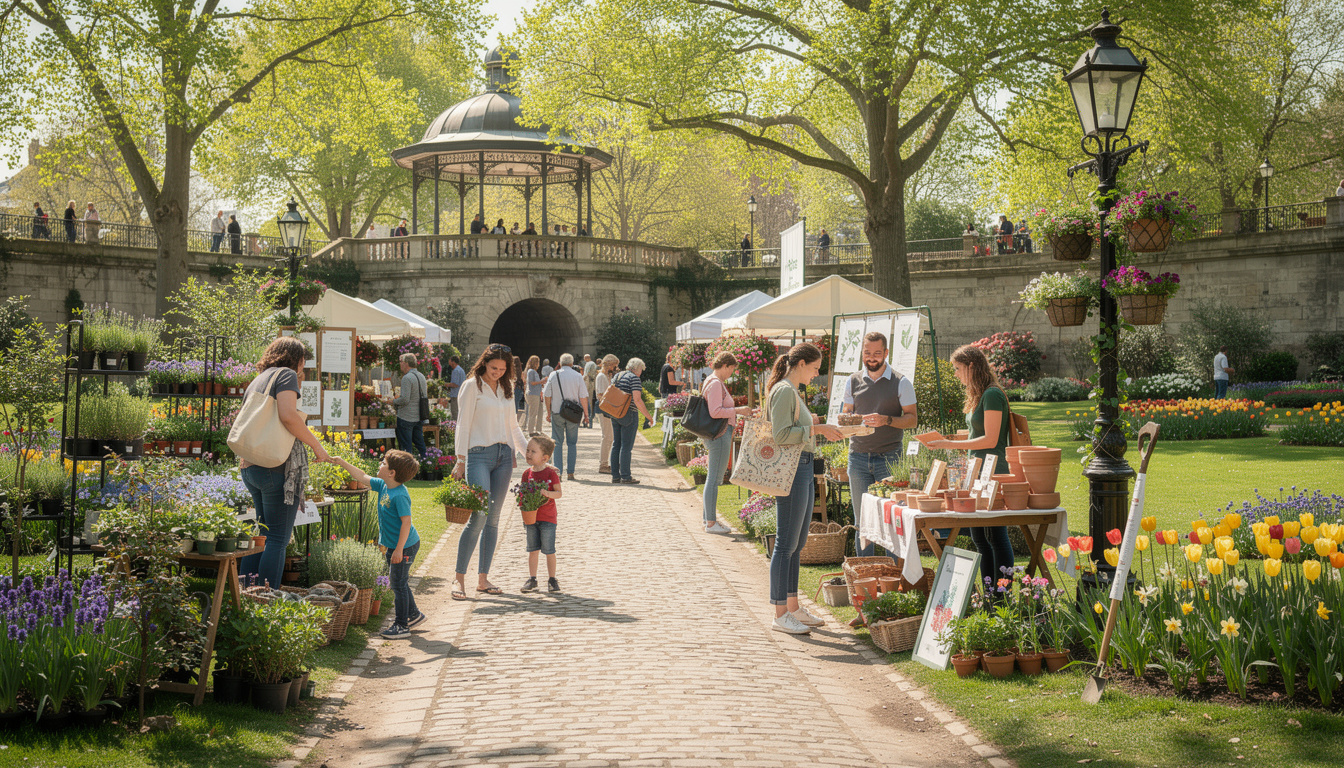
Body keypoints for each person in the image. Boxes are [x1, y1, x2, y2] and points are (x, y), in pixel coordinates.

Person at [763, 343, 844, 635]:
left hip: (803, 466)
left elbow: (794, 429)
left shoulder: (791, 391)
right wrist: (817, 429)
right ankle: (780, 612)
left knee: (796, 544)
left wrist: (818, 427)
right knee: (786, 544)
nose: (817, 373)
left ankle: (793, 607)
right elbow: (781, 434)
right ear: (800, 364)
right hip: (794, 468)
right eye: (814, 368)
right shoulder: (785, 390)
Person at [238, 337, 332, 588]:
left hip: (251, 466)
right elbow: (289, 416)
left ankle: (246, 594)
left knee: (262, 535)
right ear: (298, 360)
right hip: (274, 468)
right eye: (304, 361)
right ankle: (268, 600)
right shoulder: (287, 376)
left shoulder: (259, 378)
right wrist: (316, 445)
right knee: (278, 538)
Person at [925, 345, 1014, 592]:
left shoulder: (992, 395)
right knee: (979, 538)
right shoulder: (981, 394)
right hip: (977, 471)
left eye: (957, 369)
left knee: (996, 535)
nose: (955, 374)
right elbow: (978, 432)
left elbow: (991, 439)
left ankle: (1002, 595)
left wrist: (948, 444)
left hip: (993, 471)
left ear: (972, 367)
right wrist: (951, 439)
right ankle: (989, 594)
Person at [452, 344, 529, 599]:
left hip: (504, 457)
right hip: (478, 456)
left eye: (502, 369)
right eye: (493, 367)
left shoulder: (507, 388)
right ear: (484, 363)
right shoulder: (471, 385)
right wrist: (460, 459)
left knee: (493, 520)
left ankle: (483, 579)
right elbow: (463, 424)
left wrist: (529, 454)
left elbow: (513, 426)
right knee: (479, 516)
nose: (497, 372)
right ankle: (458, 579)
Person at [329, 449, 425, 639]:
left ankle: (401, 625)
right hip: (395, 546)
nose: (379, 464)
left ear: (392, 473)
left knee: (398, 584)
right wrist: (341, 462)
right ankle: (413, 615)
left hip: (404, 546)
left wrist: (398, 550)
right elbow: (362, 476)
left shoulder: (400, 495)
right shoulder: (383, 485)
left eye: (383, 463)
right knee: (400, 582)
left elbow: (406, 523)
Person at [842, 331, 918, 561]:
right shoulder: (853, 380)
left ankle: (893, 577)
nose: (872, 358)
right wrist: (848, 419)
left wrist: (886, 419)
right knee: (861, 521)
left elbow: (912, 419)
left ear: (886, 353)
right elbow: (847, 412)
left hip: (889, 458)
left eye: (877, 353)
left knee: (891, 520)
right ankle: (865, 578)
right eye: (867, 353)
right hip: (858, 458)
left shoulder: (901, 382)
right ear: (862, 353)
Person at [700, 352, 753, 533]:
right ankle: (711, 523)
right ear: (726, 366)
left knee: (712, 478)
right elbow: (715, 411)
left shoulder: (712, 381)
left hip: (717, 434)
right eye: (732, 370)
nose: (732, 373)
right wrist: (738, 410)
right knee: (714, 479)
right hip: (719, 434)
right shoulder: (715, 383)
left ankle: (708, 519)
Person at [519, 435, 563, 593]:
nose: (528, 454)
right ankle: (532, 579)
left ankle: (552, 579)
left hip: (548, 518)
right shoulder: (526, 474)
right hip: (531, 518)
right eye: (527, 450)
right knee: (532, 549)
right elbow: (522, 494)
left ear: (545, 458)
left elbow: (559, 493)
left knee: (549, 550)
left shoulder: (550, 473)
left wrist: (547, 493)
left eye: (533, 451)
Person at [543, 353, 588, 481]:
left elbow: (547, 395)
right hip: (573, 414)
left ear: (560, 362)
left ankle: (558, 472)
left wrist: (548, 412)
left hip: (557, 412)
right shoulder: (578, 376)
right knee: (572, 443)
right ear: (572, 363)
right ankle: (571, 473)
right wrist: (586, 414)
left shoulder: (554, 374)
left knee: (557, 442)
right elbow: (583, 396)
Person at [608, 358, 653, 484]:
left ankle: (615, 475)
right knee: (626, 447)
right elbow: (637, 400)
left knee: (616, 444)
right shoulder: (634, 379)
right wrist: (648, 417)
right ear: (636, 368)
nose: (641, 373)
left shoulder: (617, 376)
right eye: (641, 370)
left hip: (615, 412)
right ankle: (626, 476)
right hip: (629, 414)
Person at [393, 353, 428, 458]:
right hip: (418, 416)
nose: (400, 365)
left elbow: (404, 399)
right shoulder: (421, 376)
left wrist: (393, 401)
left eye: (401, 362)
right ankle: (426, 464)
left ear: (406, 363)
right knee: (420, 444)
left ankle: (407, 470)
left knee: (406, 448)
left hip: (406, 417)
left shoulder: (407, 378)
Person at [594, 355, 619, 475]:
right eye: (614, 366)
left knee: (609, 437)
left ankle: (604, 463)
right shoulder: (601, 377)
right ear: (609, 364)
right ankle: (603, 464)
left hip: (607, 408)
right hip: (604, 409)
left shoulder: (606, 376)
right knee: (607, 437)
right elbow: (600, 394)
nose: (615, 368)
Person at [523, 355, 545, 434]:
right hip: (533, 394)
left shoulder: (532, 371)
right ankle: (531, 430)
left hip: (536, 394)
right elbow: (532, 383)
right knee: (533, 413)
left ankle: (538, 429)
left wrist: (541, 383)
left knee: (540, 412)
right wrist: (541, 381)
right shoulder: (531, 371)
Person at [445, 355, 467, 420]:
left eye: (450, 360)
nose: (448, 362)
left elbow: (455, 384)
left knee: (455, 413)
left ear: (453, 362)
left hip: (455, 395)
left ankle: (455, 428)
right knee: (459, 412)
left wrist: (446, 385)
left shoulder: (456, 371)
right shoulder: (460, 370)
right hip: (460, 394)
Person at [582, 358, 598, 429]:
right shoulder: (591, 378)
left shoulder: (585, 377)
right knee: (590, 406)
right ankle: (588, 423)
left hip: (588, 390)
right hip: (590, 389)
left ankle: (587, 422)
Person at [513, 355, 526, 422]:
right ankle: (516, 421)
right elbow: (524, 381)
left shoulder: (512, 371)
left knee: (512, 406)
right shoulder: (521, 372)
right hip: (519, 389)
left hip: (514, 389)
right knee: (516, 406)